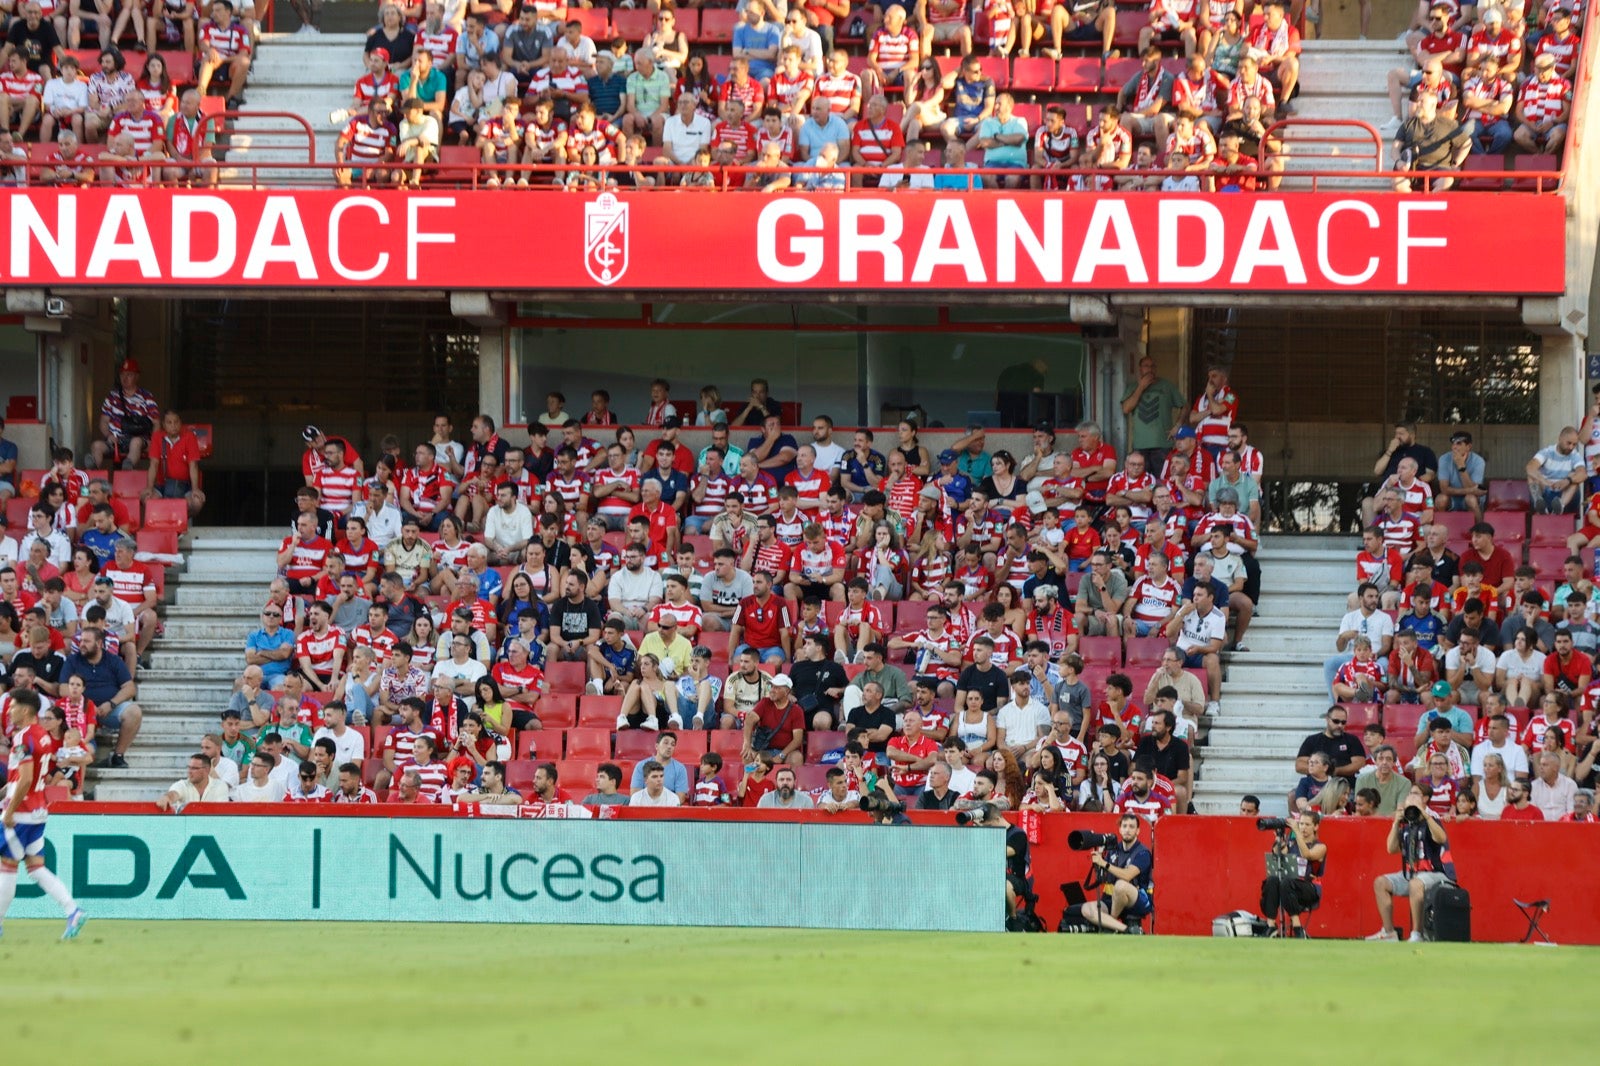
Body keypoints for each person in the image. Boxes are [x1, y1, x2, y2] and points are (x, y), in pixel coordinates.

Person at [0, 689, 89, 939]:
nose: (8, 710)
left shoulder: (22, 738)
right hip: (39, 809)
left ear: (26, 710)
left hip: (21, 811)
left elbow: (26, 778)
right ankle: (73, 910)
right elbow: (23, 776)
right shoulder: (43, 737)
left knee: (6, 866)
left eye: (13, 706)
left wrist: (11, 809)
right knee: (36, 867)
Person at [1368, 786, 1456, 942]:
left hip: (1437, 874)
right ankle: (1389, 932)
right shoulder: (1407, 826)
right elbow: (1391, 848)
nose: (1412, 812)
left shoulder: (1432, 820)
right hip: (1412, 874)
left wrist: (1425, 815)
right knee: (1380, 882)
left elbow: (1441, 838)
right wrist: (1396, 822)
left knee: (1416, 884)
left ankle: (1417, 934)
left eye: (1414, 808)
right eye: (1410, 808)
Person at [1072, 813, 1153, 934]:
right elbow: (1105, 878)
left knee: (1120, 885)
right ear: (1120, 830)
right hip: (1113, 899)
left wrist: (1105, 864)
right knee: (1087, 909)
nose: (1127, 830)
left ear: (1138, 831)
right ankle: (1124, 930)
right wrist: (1099, 861)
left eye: (1131, 827)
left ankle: (1110, 923)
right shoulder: (1113, 849)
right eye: (1124, 826)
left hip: (1138, 900)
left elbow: (1127, 875)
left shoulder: (1143, 852)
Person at [1259, 811, 1327, 938]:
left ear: (1316, 827)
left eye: (1307, 824)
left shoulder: (1320, 847)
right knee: (1272, 880)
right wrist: (1279, 841)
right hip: (1289, 886)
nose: (1303, 827)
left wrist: (1296, 832)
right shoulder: (1292, 844)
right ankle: (1271, 926)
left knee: (1286, 883)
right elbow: (1278, 854)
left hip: (1308, 888)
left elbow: (1308, 855)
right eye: (1301, 824)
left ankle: (1297, 927)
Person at [156, 752, 231, 810]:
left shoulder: (220, 786)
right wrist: (167, 798)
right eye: (189, 767)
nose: (189, 771)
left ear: (207, 770)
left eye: (194, 768)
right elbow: (173, 794)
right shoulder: (182, 784)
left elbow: (221, 811)